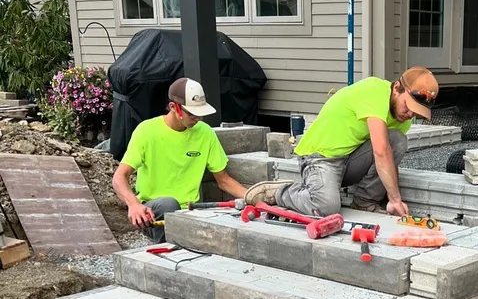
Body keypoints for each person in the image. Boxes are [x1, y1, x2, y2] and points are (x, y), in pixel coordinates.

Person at [244, 67, 439, 217]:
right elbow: (380, 151)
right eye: (409, 106)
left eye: (417, 112)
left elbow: (387, 156)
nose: (410, 114)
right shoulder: (374, 90)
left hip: (348, 162)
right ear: (396, 88)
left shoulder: (401, 118)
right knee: (326, 208)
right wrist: (395, 199)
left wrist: (391, 194)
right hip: (319, 159)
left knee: (397, 140)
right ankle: (280, 192)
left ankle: (364, 202)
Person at [112, 77, 248, 241]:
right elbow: (119, 177)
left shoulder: (205, 133)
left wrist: (252, 197)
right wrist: (134, 205)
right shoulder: (147, 131)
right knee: (169, 204)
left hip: (191, 210)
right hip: (154, 211)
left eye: (200, 113)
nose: (197, 118)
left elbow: (224, 180)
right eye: (192, 114)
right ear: (173, 107)